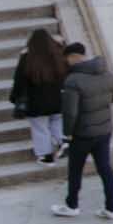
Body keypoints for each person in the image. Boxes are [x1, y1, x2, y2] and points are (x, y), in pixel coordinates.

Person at [50, 43, 113, 221]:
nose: (67, 62)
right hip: (104, 130)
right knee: (105, 169)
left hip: (82, 134)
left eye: (67, 59)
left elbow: (70, 112)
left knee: (75, 170)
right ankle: (112, 208)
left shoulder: (73, 81)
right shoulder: (108, 75)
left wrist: (67, 134)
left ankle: (72, 205)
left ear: (73, 57)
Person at [9, 28, 68, 164]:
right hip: (57, 100)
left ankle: (46, 156)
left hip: (36, 103)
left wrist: (14, 98)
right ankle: (63, 141)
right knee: (57, 121)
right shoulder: (58, 55)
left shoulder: (27, 58)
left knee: (40, 128)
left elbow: (19, 81)